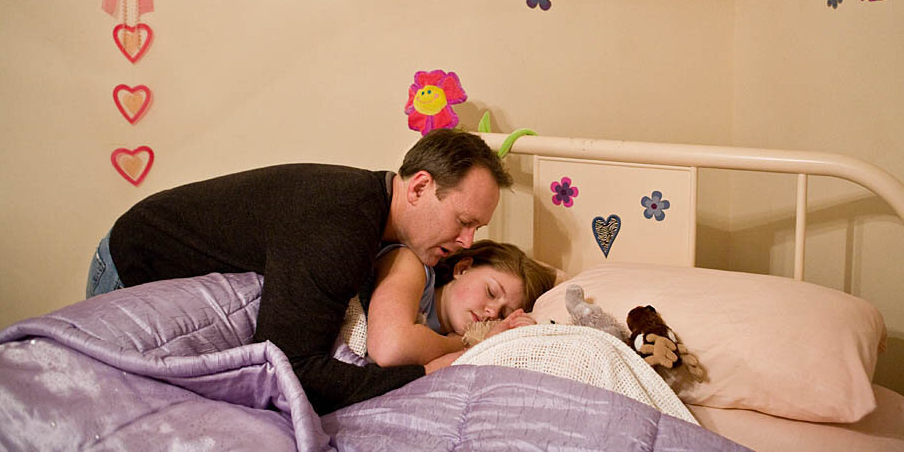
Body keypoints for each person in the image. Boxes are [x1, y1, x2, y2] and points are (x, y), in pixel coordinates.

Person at [85, 129, 512, 413]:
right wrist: (423, 375)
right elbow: (287, 369)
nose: (467, 243)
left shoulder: (371, 206)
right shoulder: (341, 228)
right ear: (419, 187)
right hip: (133, 264)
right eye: (463, 221)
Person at [365, 240, 556, 366]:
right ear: (462, 269)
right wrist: (459, 343)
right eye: (491, 292)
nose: (492, 312)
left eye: (504, 313)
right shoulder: (412, 265)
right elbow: (393, 347)